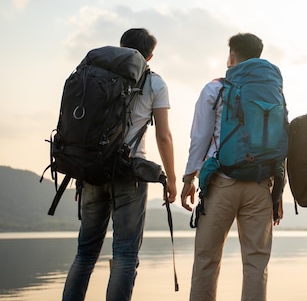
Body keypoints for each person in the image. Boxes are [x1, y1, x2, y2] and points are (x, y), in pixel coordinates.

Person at [62, 28, 177, 301]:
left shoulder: (93, 76)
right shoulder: (156, 83)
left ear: (121, 47)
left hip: (92, 171)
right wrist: (171, 179)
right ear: (149, 55)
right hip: (129, 174)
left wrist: (81, 174)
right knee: (125, 254)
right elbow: (164, 135)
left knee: (85, 253)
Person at [181, 32, 284, 301]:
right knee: (256, 264)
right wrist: (278, 192)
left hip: (221, 183)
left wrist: (189, 178)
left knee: (206, 259)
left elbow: (200, 138)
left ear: (232, 56)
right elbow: (280, 139)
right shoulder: (273, 91)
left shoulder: (216, 88)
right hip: (261, 185)